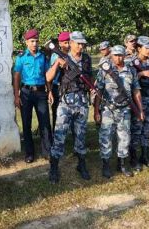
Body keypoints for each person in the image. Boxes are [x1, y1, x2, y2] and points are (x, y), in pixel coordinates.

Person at [46, 31, 93, 183]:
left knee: (80, 135)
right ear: (71, 43)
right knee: (60, 135)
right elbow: (48, 77)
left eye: (82, 44)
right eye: (78, 43)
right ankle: (54, 167)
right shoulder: (62, 58)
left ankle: (82, 164)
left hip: (82, 102)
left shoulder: (86, 58)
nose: (81, 46)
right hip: (66, 103)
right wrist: (57, 64)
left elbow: (89, 77)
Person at [94, 45, 143, 178]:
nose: (118, 58)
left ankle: (122, 164)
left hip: (125, 110)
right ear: (111, 55)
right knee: (106, 137)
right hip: (108, 109)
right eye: (115, 55)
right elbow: (98, 91)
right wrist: (96, 111)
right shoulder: (105, 70)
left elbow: (136, 91)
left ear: (125, 55)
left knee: (124, 138)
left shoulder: (131, 71)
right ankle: (106, 165)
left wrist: (140, 109)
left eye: (120, 55)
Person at [13, 29, 53, 163]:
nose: (35, 44)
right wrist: (16, 96)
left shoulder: (43, 57)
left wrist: (50, 91)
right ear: (26, 42)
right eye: (32, 41)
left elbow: (47, 76)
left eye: (36, 41)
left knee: (45, 122)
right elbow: (17, 76)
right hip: (26, 93)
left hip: (41, 93)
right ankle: (29, 153)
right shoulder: (21, 58)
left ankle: (47, 151)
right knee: (26, 123)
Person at [129, 36, 149, 171]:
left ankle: (145, 156)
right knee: (136, 129)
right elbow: (128, 80)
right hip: (138, 100)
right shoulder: (131, 62)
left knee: (147, 130)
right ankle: (133, 159)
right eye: (146, 48)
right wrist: (141, 74)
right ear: (139, 48)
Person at [50, 31, 70, 131]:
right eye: (65, 42)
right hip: (57, 86)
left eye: (69, 42)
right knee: (57, 112)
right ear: (60, 43)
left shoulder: (72, 54)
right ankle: (55, 133)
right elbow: (51, 73)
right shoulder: (55, 55)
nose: (68, 45)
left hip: (70, 87)